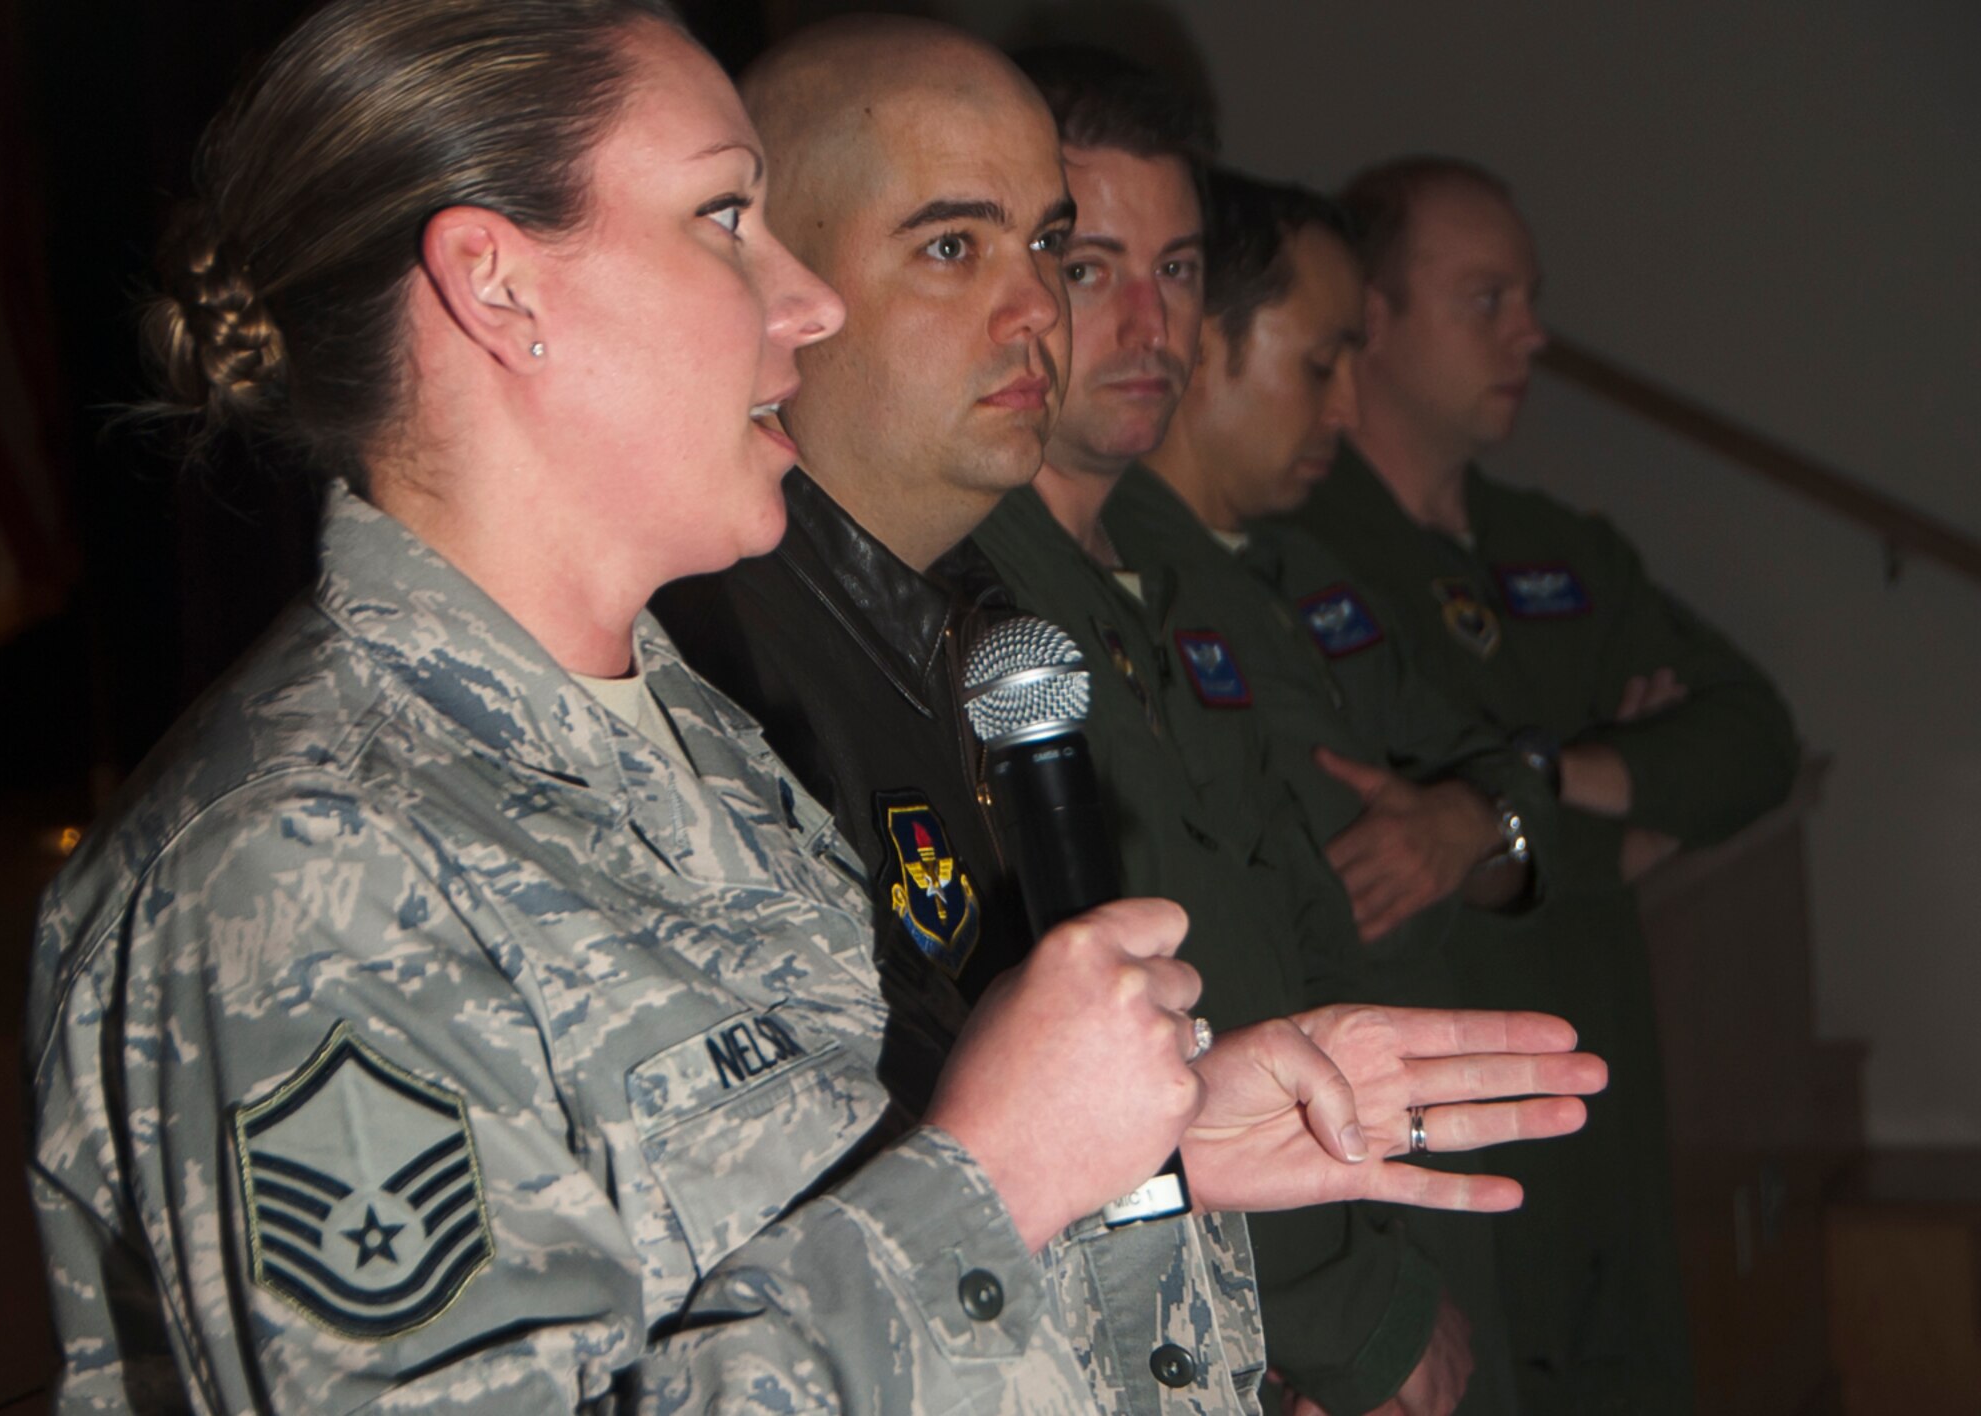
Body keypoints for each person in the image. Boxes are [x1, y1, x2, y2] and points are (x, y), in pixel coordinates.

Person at [23, 4, 1604, 1410]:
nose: (807, 304)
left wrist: (1151, 1170)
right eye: (726, 219)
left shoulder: (687, 737)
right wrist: (992, 1177)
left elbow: (818, 1238)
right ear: (499, 289)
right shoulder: (300, 863)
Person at [656, 18, 1601, 1414]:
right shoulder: (710, 677)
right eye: (953, 248)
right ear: (781, 284)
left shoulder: (983, 634)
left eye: (1048, 249)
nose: (1043, 309)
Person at [966, 81, 1530, 1414]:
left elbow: (1313, 895)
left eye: (1175, 271)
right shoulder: (969, 595)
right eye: (1087, 266)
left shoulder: (1190, 570)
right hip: (1221, 1308)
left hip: (1359, 1205)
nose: (1152, 324)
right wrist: (1343, 1320)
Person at [1283, 155, 1803, 1414]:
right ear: (1374, 321)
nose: (1532, 332)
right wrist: (1615, 812)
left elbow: (1751, 741)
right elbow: (1368, 836)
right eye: (1486, 298)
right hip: (1444, 1101)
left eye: (1529, 296)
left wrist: (1505, 796)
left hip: (1601, 1093)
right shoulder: (1296, 547)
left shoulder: (1559, 548)